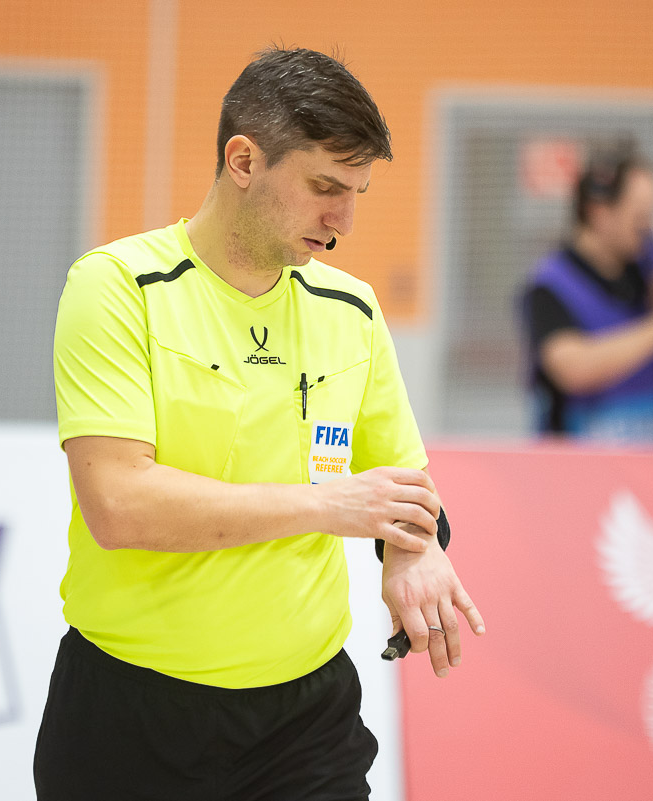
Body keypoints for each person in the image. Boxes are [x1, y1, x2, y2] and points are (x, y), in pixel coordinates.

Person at [34, 47, 485, 800]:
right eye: (324, 188)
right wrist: (327, 506)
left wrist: (410, 552)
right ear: (243, 161)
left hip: (305, 727)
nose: (343, 220)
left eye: (356, 193)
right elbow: (118, 504)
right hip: (130, 717)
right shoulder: (117, 288)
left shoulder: (351, 309)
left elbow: (403, 488)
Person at [519, 147, 653, 442]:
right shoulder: (549, 285)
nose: (649, 228)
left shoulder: (648, 265)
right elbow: (572, 369)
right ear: (600, 214)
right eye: (640, 218)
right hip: (587, 458)